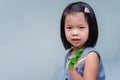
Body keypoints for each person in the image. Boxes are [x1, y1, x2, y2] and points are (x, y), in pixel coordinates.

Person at [60, 1, 105, 80]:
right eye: (69, 28)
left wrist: (73, 72)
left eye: (81, 28)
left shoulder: (91, 56)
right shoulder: (68, 55)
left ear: (91, 29)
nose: (74, 33)